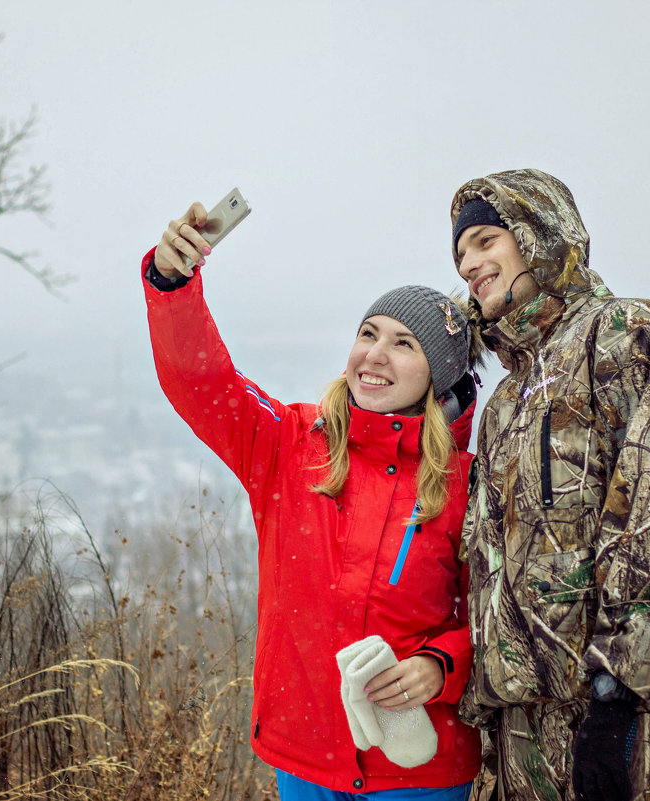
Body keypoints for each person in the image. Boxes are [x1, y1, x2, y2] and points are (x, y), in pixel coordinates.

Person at [143, 201, 484, 799]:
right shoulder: (288, 445)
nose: (374, 355)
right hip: (304, 756)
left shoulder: (467, 484)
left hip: (417, 766)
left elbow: (497, 616)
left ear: (440, 375)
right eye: (368, 334)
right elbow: (203, 383)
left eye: (404, 344)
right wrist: (174, 285)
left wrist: (441, 665)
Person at [449, 170, 650, 801]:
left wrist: (616, 702)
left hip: (623, 714)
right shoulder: (505, 401)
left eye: (484, 240)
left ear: (539, 235)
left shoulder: (631, 337)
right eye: (460, 251)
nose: (468, 263)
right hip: (520, 730)